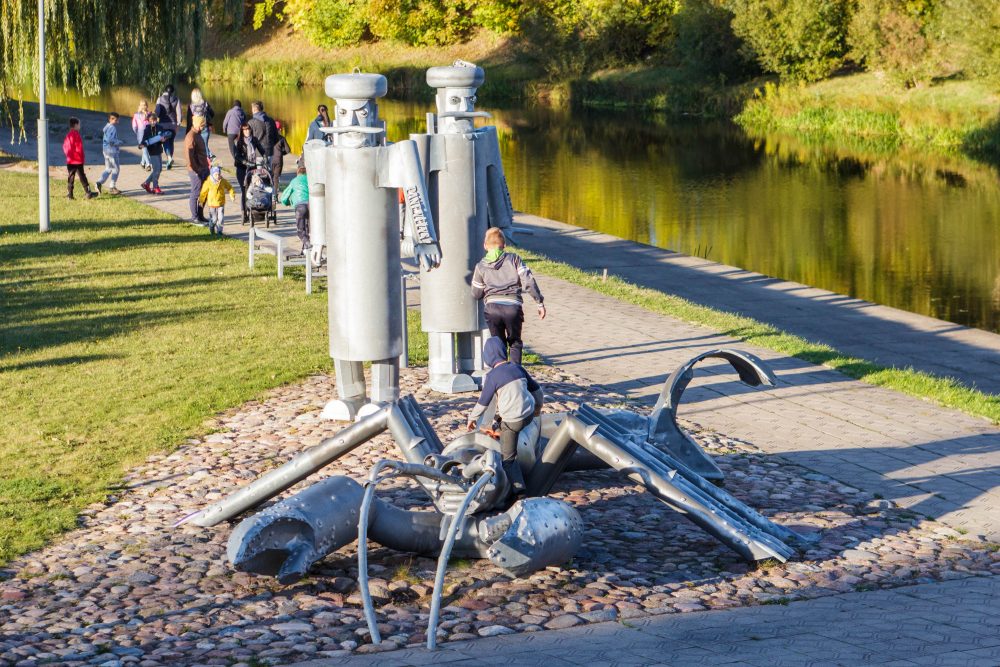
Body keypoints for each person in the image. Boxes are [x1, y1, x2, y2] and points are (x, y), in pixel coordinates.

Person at [466, 336, 544, 498]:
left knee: (508, 459)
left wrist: (472, 419)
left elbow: (483, 403)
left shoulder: (492, 376)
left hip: (513, 422)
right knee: (502, 416)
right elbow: (537, 391)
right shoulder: (517, 368)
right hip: (529, 414)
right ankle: (496, 427)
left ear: (488, 357)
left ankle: (519, 491)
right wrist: (537, 408)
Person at [471, 227, 546, 365]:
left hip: (492, 309)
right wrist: (539, 302)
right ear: (504, 245)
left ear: (485, 246)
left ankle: (500, 373)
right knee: (515, 342)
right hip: (513, 308)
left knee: (498, 343)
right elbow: (529, 282)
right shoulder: (515, 259)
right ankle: (516, 372)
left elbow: (476, 294)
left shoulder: (480, 266)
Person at [62, 117, 96, 200]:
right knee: (82, 176)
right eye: (79, 124)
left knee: (71, 177)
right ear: (76, 125)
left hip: (70, 160)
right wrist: (81, 158)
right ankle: (88, 192)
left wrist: (68, 156)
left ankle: (70, 195)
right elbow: (79, 148)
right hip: (77, 161)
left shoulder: (68, 135)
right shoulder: (76, 135)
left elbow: (64, 147)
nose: (80, 126)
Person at [186, 115, 211, 223]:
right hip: (196, 170)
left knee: (204, 192)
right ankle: (194, 217)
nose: (203, 127)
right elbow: (189, 157)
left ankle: (200, 215)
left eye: (204, 125)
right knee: (195, 193)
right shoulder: (191, 137)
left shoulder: (198, 134)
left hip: (204, 168)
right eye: (202, 125)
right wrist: (196, 170)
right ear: (196, 124)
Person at [234, 123, 265, 209]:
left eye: (248, 129)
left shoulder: (254, 139)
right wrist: (245, 162)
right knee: (244, 189)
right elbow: (237, 156)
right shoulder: (237, 141)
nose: (247, 131)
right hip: (242, 168)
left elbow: (261, 150)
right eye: (245, 130)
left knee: (255, 187)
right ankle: (244, 210)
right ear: (242, 131)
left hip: (252, 167)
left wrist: (265, 157)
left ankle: (253, 207)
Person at [279, 163, 310, 248]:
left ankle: (308, 245)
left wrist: (287, 203)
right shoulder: (310, 179)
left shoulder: (294, 181)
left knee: (301, 231)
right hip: (311, 205)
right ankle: (306, 248)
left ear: (298, 173)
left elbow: (284, 197)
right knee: (309, 229)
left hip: (300, 206)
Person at [199, 165, 236, 236]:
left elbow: (230, 188)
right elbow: (203, 192)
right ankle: (211, 226)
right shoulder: (208, 182)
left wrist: (232, 195)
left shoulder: (223, 181)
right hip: (212, 204)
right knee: (214, 219)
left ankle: (219, 231)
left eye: (219, 174)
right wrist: (201, 200)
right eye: (216, 174)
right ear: (212, 174)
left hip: (221, 203)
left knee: (221, 218)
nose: (218, 176)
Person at [139, 112, 168, 195]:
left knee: (159, 169)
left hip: (159, 150)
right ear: (148, 121)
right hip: (152, 151)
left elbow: (164, 136)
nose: (153, 122)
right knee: (157, 170)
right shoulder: (147, 130)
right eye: (151, 121)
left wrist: (164, 139)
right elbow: (143, 140)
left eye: (154, 120)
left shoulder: (160, 127)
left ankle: (146, 183)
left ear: (156, 120)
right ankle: (155, 187)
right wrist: (141, 145)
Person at [95, 112, 124, 195]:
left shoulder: (107, 127)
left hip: (105, 150)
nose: (117, 121)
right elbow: (110, 140)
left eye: (117, 120)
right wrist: (119, 142)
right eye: (116, 120)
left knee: (108, 169)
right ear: (110, 119)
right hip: (112, 151)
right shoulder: (112, 128)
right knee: (116, 169)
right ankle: (112, 187)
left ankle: (99, 182)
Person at [154, 84, 182, 169]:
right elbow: (179, 114)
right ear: (173, 91)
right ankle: (169, 161)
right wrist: (178, 124)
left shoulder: (160, 99)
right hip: (173, 124)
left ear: (165, 90)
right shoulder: (176, 99)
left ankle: (169, 157)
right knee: (171, 142)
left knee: (165, 141)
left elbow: (157, 113)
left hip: (162, 124)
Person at [222, 100, 245, 164]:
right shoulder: (242, 112)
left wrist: (224, 129)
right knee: (240, 145)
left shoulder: (230, 112)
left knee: (231, 146)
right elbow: (244, 122)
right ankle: (241, 158)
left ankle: (236, 159)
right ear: (240, 106)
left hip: (231, 132)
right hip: (240, 132)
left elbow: (225, 122)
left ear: (233, 106)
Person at [132, 100, 151, 170]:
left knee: (146, 149)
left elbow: (134, 126)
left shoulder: (148, 114)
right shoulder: (137, 115)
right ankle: (148, 164)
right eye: (143, 105)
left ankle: (143, 162)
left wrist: (137, 132)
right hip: (144, 133)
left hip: (144, 133)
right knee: (145, 149)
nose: (143, 106)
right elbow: (134, 126)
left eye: (144, 105)